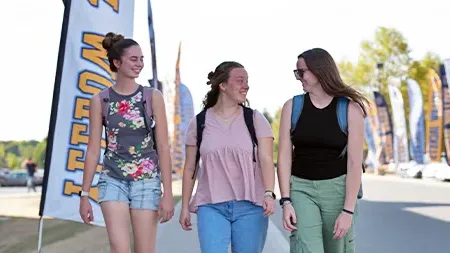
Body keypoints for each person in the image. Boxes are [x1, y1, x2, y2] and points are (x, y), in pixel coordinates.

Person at [79, 32, 174, 253]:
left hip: (147, 182)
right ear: (116, 62)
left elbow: (163, 147)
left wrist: (167, 193)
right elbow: (93, 149)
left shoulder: (152, 97)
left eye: (141, 59)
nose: (139, 64)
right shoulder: (100, 100)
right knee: (119, 249)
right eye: (133, 59)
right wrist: (84, 195)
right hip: (112, 181)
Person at [179, 61, 276, 253]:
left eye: (247, 81)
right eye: (240, 80)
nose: (245, 85)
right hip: (211, 206)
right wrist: (183, 206)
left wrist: (269, 193)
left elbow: (266, 159)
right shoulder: (199, 122)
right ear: (222, 85)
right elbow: (190, 167)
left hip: (251, 206)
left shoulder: (255, 119)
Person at [277, 48, 367, 253]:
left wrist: (348, 210)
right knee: (307, 248)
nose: (298, 78)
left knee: (337, 248)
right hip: (301, 189)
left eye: (301, 72)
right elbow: (283, 156)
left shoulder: (350, 110)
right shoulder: (292, 107)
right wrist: (286, 200)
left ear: (319, 71)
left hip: (337, 190)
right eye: (296, 73)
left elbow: (354, 163)